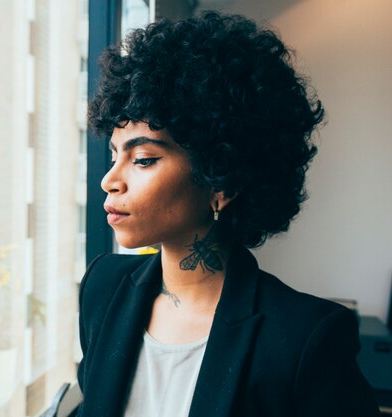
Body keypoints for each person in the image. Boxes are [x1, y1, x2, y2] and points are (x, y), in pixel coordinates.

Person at [76, 11, 379, 417]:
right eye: (114, 154)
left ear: (223, 180)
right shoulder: (102, 288)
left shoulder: (304, 339)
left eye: (144, 159)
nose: (110, 180)